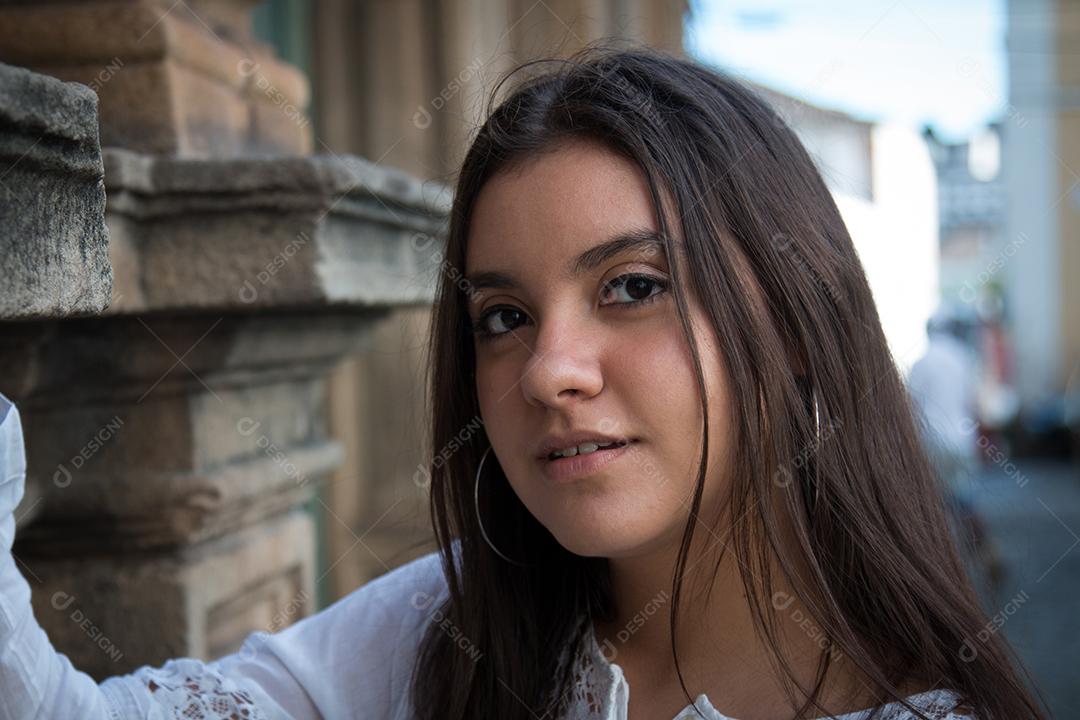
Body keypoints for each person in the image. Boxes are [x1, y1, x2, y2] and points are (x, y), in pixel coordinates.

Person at [0, 45, 1047, 720]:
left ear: (803, 318)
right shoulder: (444, 637)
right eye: (502, 316)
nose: (549, 371)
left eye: (634, 286)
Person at [907, 307, 1007, 597]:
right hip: (961, 442)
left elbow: (912, 407)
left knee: (934, 506)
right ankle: (985, 555)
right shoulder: (962, 358)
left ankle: (943, 569)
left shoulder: (922, 363)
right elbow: (974, 403)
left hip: (933, 443)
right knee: (963, 501)